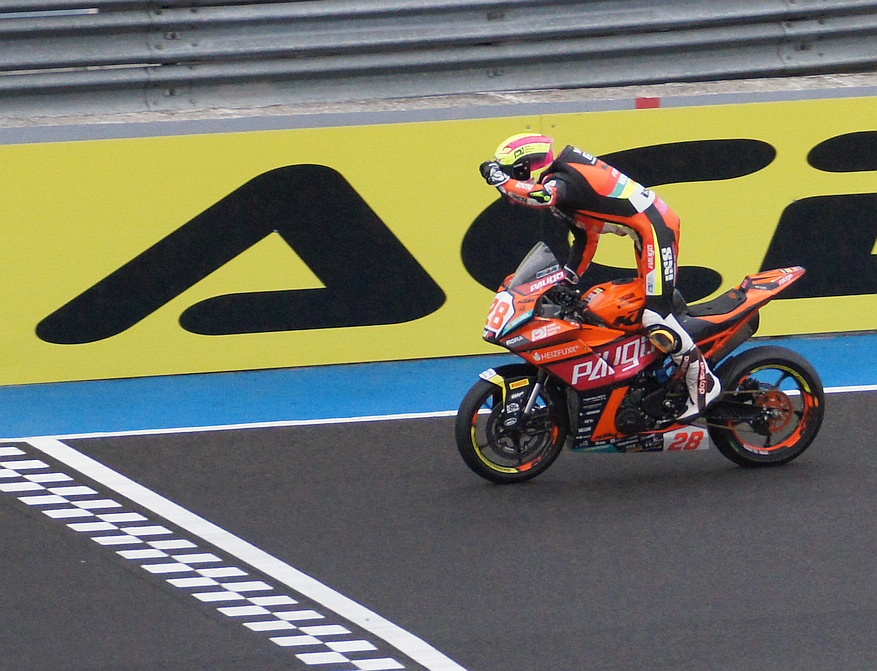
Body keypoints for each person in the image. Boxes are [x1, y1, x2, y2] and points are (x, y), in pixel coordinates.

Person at [479, 132, 721, 422]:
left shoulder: (562, 180)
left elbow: (541, 197)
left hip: (656, 229)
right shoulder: (563, 180)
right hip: (642, 232)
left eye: (511, 172)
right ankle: (649, 381)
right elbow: (586, 237)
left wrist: (499, 179)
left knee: (655, 315)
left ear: (524, 166)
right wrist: (568, 279)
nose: (510, 181)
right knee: (618, 310)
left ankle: (703, 383)